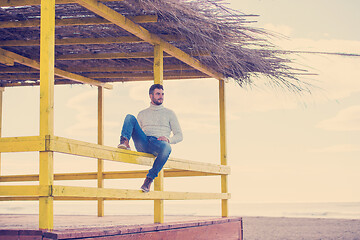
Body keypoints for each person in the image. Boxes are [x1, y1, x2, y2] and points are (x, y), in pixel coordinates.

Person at [117, 84, 183, 192]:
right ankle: (124, 141)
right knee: (129, 117)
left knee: (167, 148)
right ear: (151, 96)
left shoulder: (169, 113)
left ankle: (149, 179)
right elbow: (135, 130)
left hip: (158, 144)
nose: (161, 96)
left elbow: (180, 135)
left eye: (162, 94)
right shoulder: (142, 114)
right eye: (158, 94)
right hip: (143, 142)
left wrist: (169, 140)